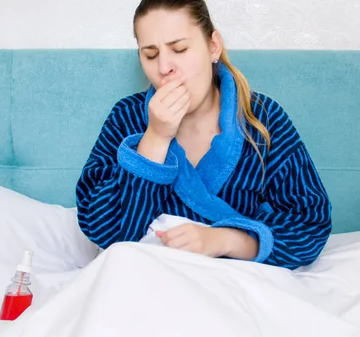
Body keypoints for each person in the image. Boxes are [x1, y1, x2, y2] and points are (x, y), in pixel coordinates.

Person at [75, 0, 332, 270]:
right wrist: (155, 139)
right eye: (150, 54)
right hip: (146, 282)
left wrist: (227, 240)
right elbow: (103, 230)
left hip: (233, 287)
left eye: (180, 49)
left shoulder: (261, 119)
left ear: (213, 46)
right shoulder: (125, 117)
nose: (164, 67)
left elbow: (310, 223)